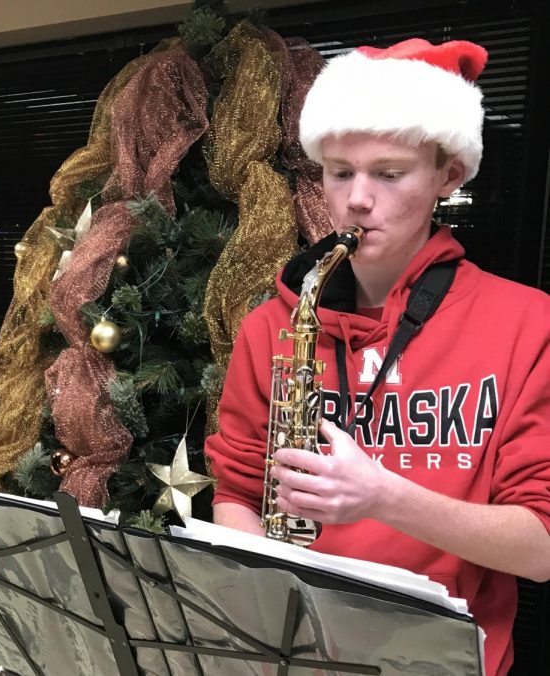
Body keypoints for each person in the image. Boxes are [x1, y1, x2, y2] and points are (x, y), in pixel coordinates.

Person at [205, 38, 550, 676]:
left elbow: (542, 548)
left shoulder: (527, 322)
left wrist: (384, 498)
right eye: (339, 172)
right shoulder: (269, 326)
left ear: (449, 175)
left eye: (388, 174)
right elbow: (237, 491)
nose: (357, 200)